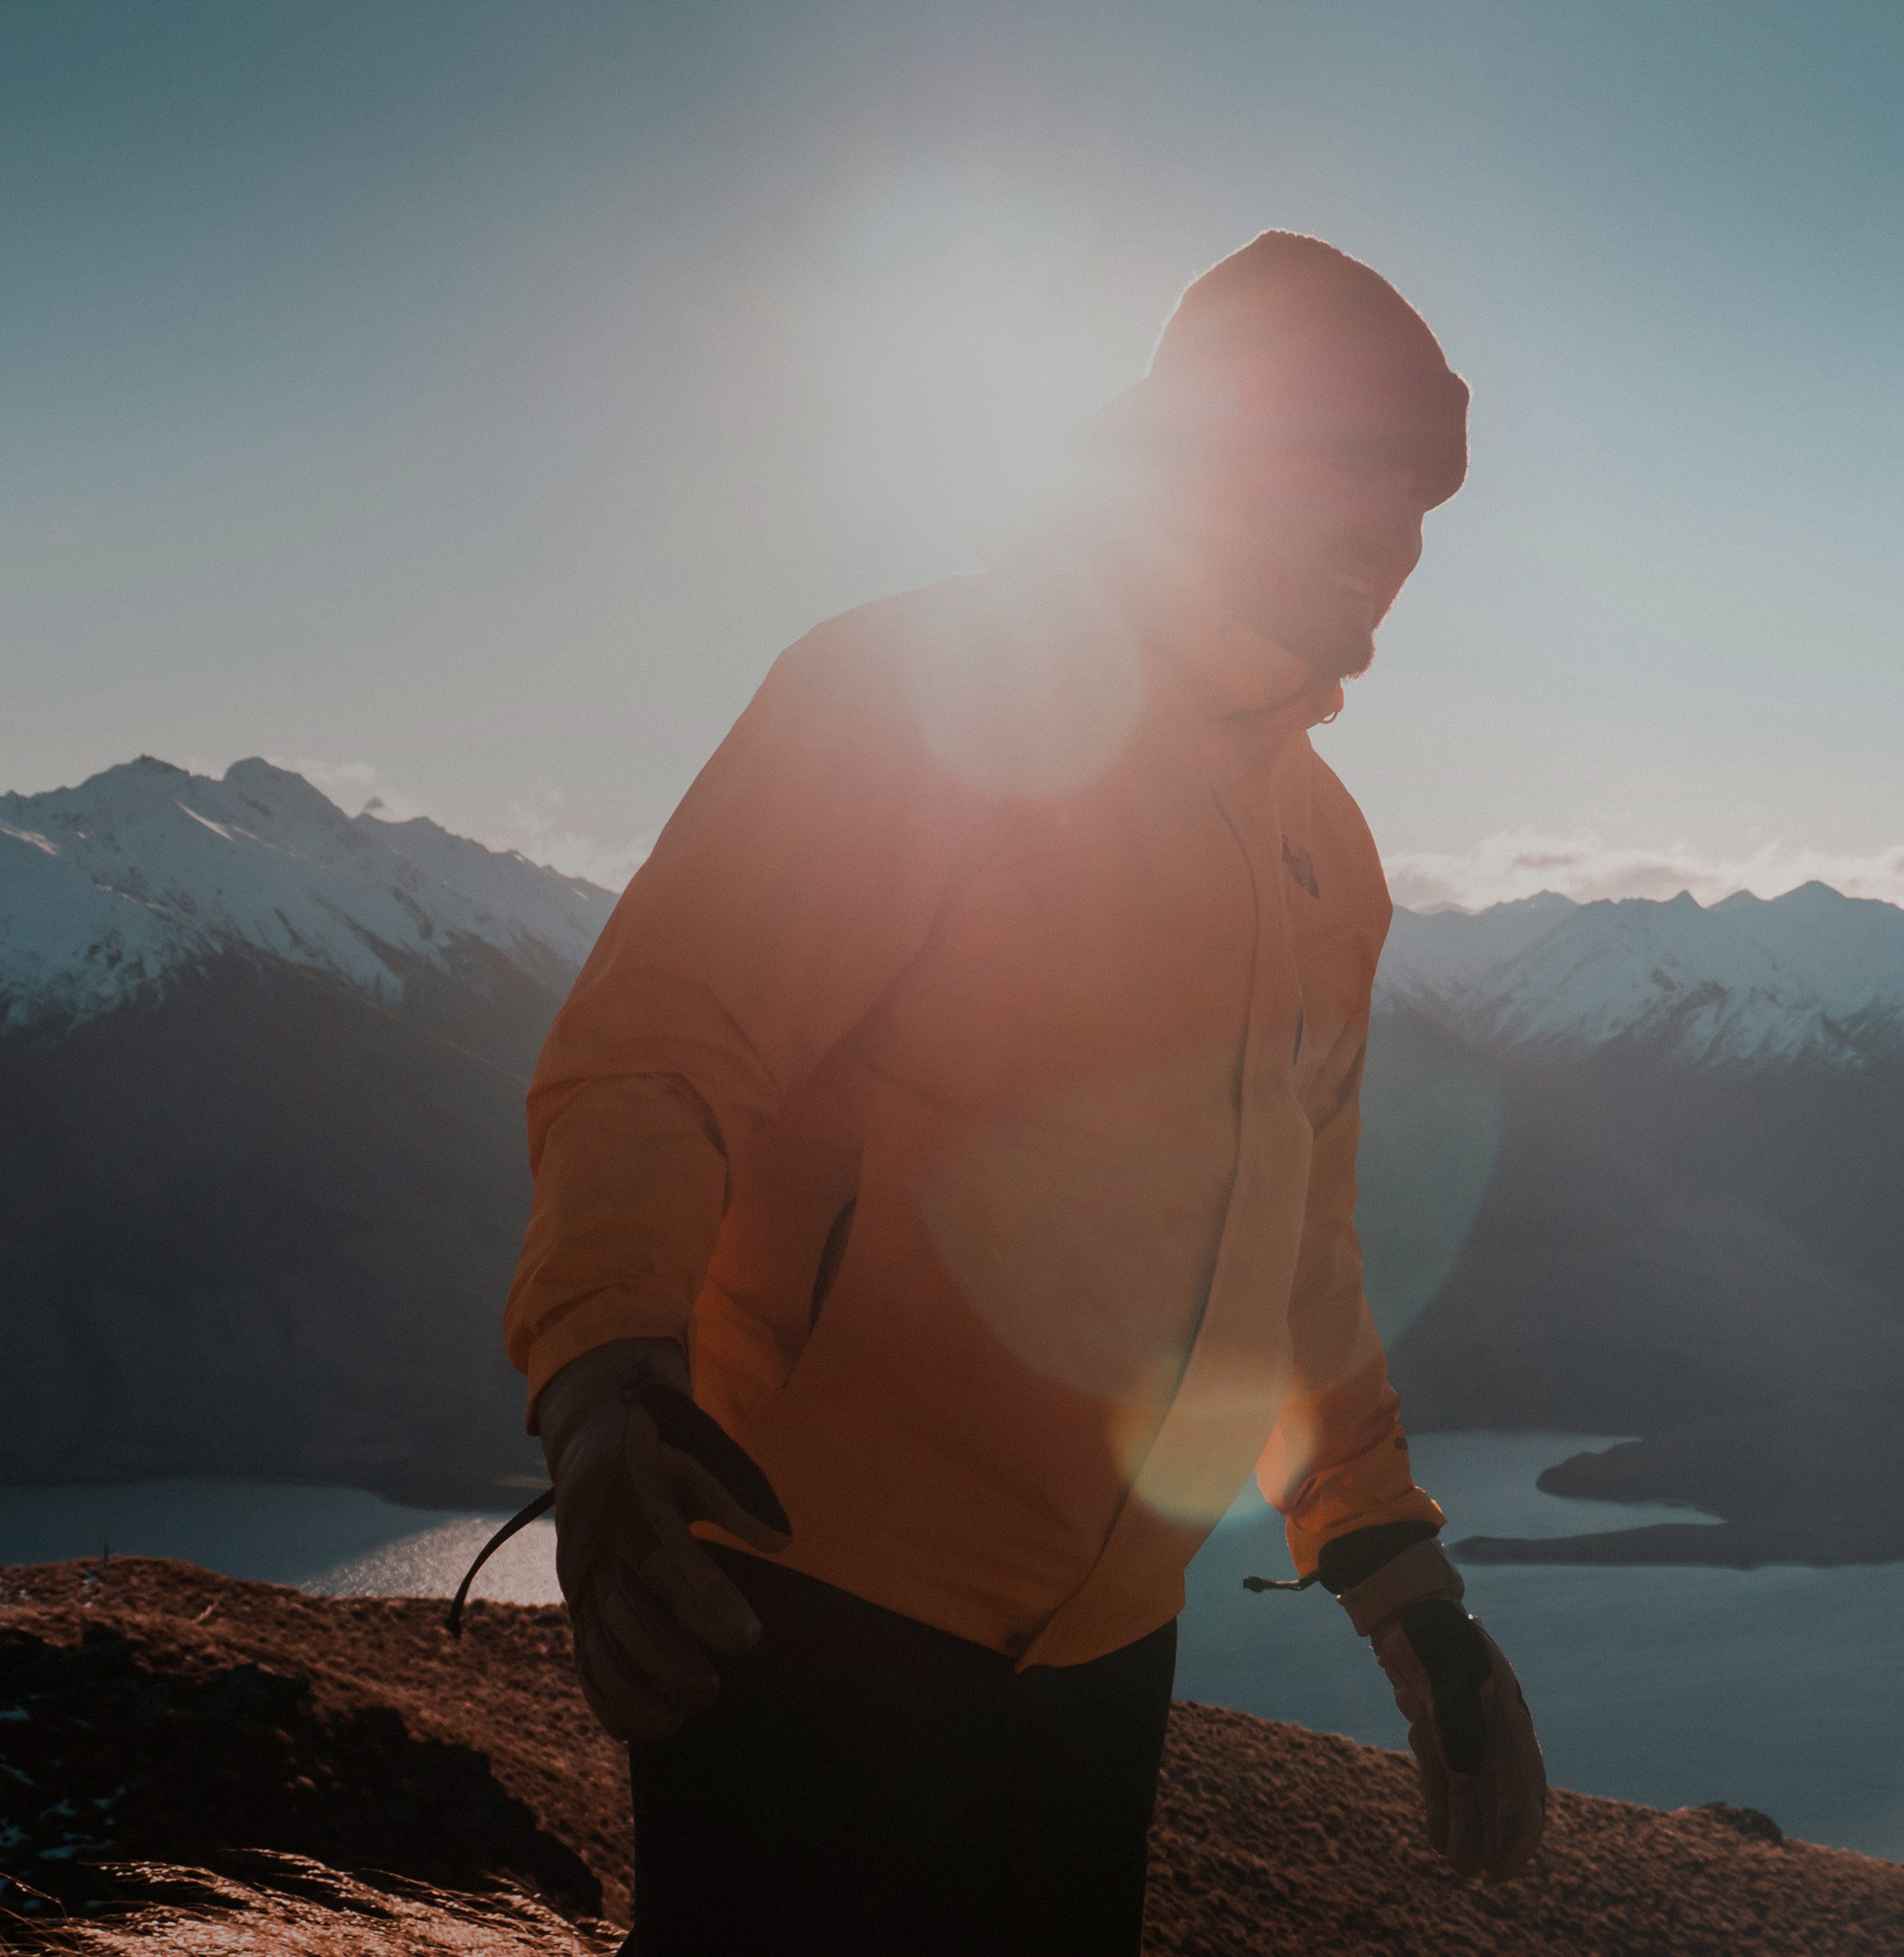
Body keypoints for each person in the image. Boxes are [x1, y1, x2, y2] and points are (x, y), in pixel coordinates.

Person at [504, 229, 1551, 1955]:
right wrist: (606, 1374)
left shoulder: (1324, 847)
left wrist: (1398, 1579)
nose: (1393, 540)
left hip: (1101, 1650)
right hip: (804, 1591)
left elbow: (1300, 1252)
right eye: (1344, 472)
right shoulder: (924, 690)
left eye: (1421, 503)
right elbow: (660, 1048)